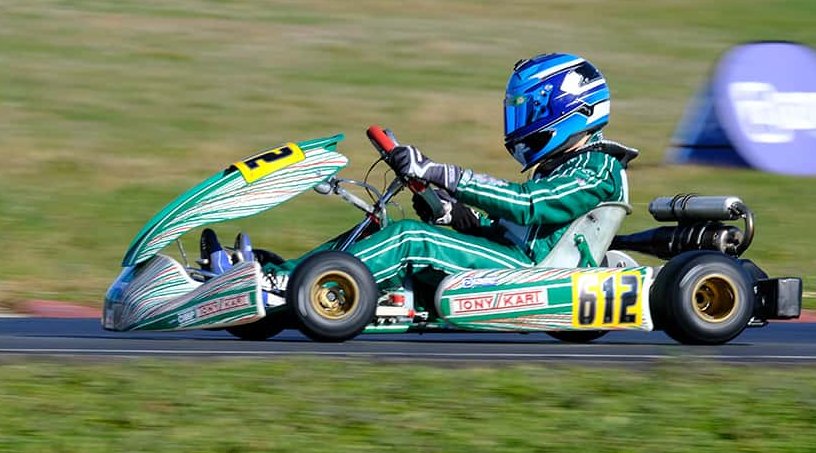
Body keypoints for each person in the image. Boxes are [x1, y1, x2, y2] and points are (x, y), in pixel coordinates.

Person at [246, 52, 637, 294]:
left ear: (570, 109)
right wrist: (457, 213)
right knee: (381, 227)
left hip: (532, 274)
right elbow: (516, 227)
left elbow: (529, 206)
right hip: (512, 257)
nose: (522, 121)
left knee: (411, 238)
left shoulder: (597, 167)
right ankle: (278, 274)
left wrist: (441, 172)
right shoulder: (565, 164)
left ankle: (289, 284)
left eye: (530, 111)